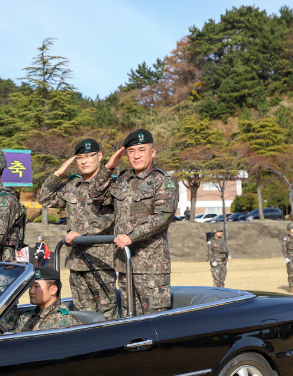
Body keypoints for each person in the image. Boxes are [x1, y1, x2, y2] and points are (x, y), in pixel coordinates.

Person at [89, 129, 178, 316]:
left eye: (141, 150)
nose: (136, 156)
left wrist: (131, 237)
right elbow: (94, 194)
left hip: (151, 268)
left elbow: (163, 216)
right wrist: (108, 168)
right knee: (131, 319)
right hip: (124, 265)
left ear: (152, 152)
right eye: (131, 151)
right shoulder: (122, 180)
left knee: (155, 320)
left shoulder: (163, 181)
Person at [38, 138, 117, 318]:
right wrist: (57, 174)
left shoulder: (111, 184)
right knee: (82, 314)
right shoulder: (72, 185)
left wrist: (82, 235)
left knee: (106, 313)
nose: (84, 161)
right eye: (79, 157)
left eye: (89, 156)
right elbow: (44, 199)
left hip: (101, 260)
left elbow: (111, 216)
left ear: (100, 156)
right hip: (76, 260)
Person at [13, 267, 82, 333]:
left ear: (53, 290)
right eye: (30, 286)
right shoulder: (27, 316)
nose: (31, 291)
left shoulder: (62, 319)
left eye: (36, 286)